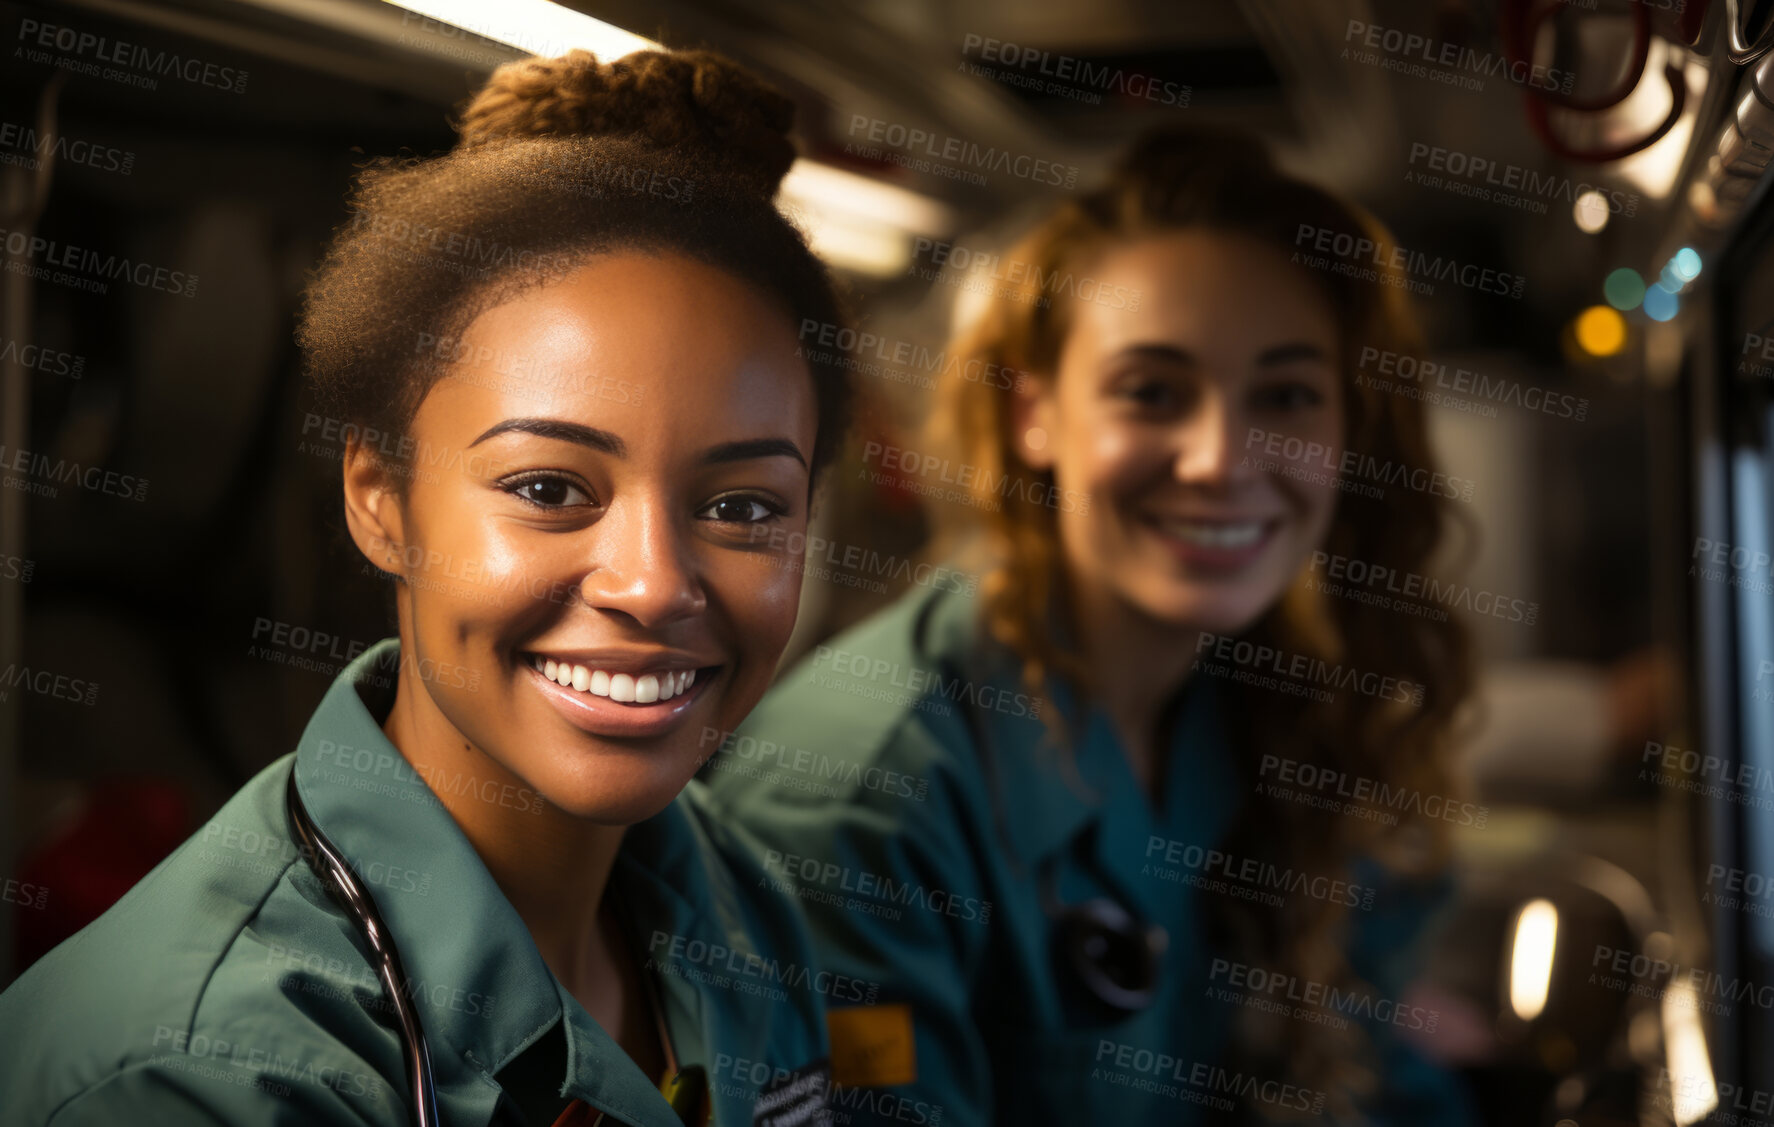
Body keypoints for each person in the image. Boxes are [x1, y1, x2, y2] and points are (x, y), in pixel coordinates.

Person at [0, 48, 854, 1127]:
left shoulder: (737, 902)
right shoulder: (203, 1076)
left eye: (742, 506)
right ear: (380, 500)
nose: (652, 583)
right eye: (548, 485)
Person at [703, 127, 1480, 1125]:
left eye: (1285, 394)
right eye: (1152, 391)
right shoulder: (855, 803)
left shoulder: (1250, 702)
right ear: (1035, 413)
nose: (1219, 458)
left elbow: (1369, 1070)